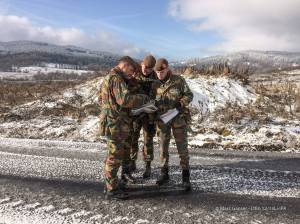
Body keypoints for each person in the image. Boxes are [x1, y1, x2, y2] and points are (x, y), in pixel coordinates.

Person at [98, 56, 149, 199]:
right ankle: (111, 191)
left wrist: (111, 109)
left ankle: (111, 184)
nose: (132, 74)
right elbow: (125, 100)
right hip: (116, 125)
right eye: (131, 70)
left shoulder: (107, 78)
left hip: (112, 122)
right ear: (124, 65)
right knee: (114, 157)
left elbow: (100, 99)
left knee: (112, 155)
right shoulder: (116, 79)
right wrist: (143, 99)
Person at [153, 58, 193, 191]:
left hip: (178, 119)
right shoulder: (154, 83)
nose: (160, 74)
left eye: (162, 71)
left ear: (167, 68)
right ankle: (164, 174)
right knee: (163, 148)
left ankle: (185, 177)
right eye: (157, 72)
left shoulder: (178, 80)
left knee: (182, 149)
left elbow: (189, 95)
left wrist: (181, 103)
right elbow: (149, 99)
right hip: (162, 120)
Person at [129, 55, 159, 179]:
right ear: (142, 64)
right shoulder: (133, 76)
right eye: (145, 67)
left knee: (148, 141)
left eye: (150, 69)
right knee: (132, 139)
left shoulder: (156, 79)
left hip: (149, 115)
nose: (146, 70)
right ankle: (132, 162)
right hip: (135, 114)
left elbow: (159, 97)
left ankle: (147, 166)